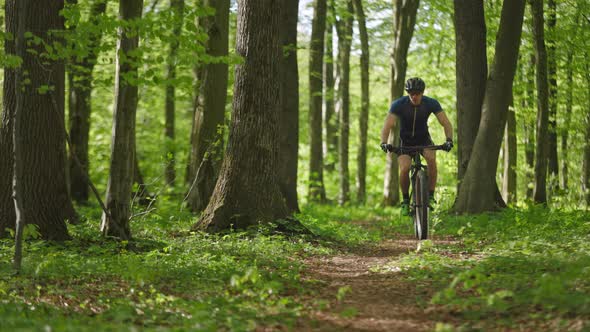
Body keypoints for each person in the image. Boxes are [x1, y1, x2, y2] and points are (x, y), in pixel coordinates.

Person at [379, 77, 453, 215]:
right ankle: (406, 201)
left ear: (422, 93)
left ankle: (430, 196)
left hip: (423, 139)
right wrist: (384, 142)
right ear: (407, 93)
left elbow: (446, 123)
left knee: (431, 159)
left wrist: (449, 139)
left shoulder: (431, 103)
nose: (414, 96)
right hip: (405, 141)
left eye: (417, 93)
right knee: (405, 167)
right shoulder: (399, 104)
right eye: (411, 93)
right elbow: (387, 126)